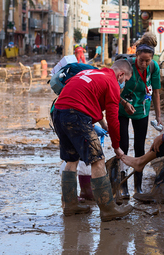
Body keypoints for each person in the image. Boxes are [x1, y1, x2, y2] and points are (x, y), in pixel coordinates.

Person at [52, 59, 133, 221]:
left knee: (72, 159)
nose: (123, 84)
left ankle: (70, 205)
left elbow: (86, 98)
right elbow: (114, 119)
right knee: (98, 160)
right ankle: (108, 208)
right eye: (125, 81)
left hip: (59, 113)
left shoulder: (92, 73)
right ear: (121, 74)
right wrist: (116, 147)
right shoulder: (112, 83)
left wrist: (102, 123)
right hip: (76, 115)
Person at [118, 32, 162, 199]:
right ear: (136, 55)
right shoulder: (126, 66)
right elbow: (114, 90)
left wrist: (158, 116)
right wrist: (124, 103)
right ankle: (123, 186)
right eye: (141, 60)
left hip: (142, 110)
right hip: (122, 109)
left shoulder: (153, 68)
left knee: (139, 147)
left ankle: (138, 187)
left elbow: (156, 93)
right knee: (123, 146)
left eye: (147, 60)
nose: (144, 63)